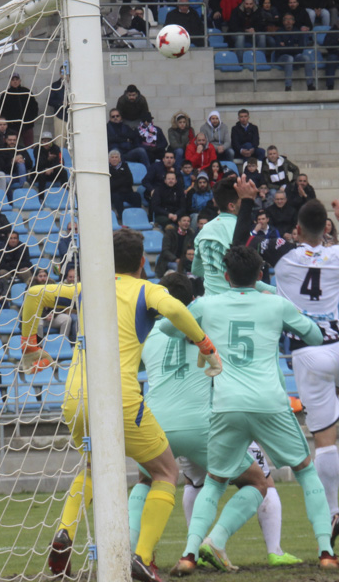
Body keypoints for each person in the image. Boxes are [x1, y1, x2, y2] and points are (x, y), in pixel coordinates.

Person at [39, 229, 220, 581]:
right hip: (117, 396)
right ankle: (140, 556)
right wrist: (206, 345)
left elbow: (36, 294)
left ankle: (65, 531)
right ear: (142, 261)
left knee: (91, 468)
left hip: (74, 395)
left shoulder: (88, 288)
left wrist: (30, 344)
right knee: (165, 472)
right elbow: (174, 308)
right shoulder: (147, 290)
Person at [162, 246, 339, 572]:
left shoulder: (207, 304)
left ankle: (189, 555)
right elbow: (315, 335)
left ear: (227, 276)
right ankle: (326, 553)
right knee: (305, 471)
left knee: (214, 483)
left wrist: (201, 335)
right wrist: (270, 298)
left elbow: (167, 329)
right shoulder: (275, 303)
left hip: (227, 404)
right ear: (260, 275)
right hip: (269, 403)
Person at [232, 183, 339, 550]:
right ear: (326, 228)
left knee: (324, 442)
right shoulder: (338, 255)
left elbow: (238, 252)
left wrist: (250, 205)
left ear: (296, 230)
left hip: (308, 348)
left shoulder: (282, 251)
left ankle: (332, 511)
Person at [137, 274, 301, 573]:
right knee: (257, 482)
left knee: (149, 482)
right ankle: (209, 544)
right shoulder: (208, 326)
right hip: (204, 425)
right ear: (194, 301)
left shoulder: (148, 334)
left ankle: (135, 552)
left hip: (156, 425)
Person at [271, 14, 316, 91]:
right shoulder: (279, 32)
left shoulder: (298, 32)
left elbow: (300, 49)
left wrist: (285, 46)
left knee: (307, 58)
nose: (288, 21)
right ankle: (288, 86)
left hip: (296, 56)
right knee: (289, 58)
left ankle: (310, 85)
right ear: (283, 22)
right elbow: (279, 49)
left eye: (290, 19)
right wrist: (293, 46)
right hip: (282, 57)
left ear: (293, 21)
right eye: (286, 20)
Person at [0, 73, 40, 145]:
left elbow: (34, 106)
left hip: (27, 126)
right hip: (13, 127)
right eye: (13, 80)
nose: (15, 81)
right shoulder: (6, 94)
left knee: (29, 146)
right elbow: (1, 110)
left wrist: (31, 119)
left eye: (16, 80)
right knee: (12, 145)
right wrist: (9, 121)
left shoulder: (27, 92)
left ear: (20, 81)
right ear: (10, 82)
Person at [108, 150, 141, 217]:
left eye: (116, 157)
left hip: (127, 191)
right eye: (112, 157)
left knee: (136, 196)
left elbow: (130, 181)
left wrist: (116, 181)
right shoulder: (107, 168)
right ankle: (122, 216)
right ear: (109, 160)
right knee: (116, 197)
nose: (114, 159)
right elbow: (111, 185)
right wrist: (122, 180)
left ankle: (137, 215)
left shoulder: (125, 166)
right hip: (115, 193)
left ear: (119, 159)